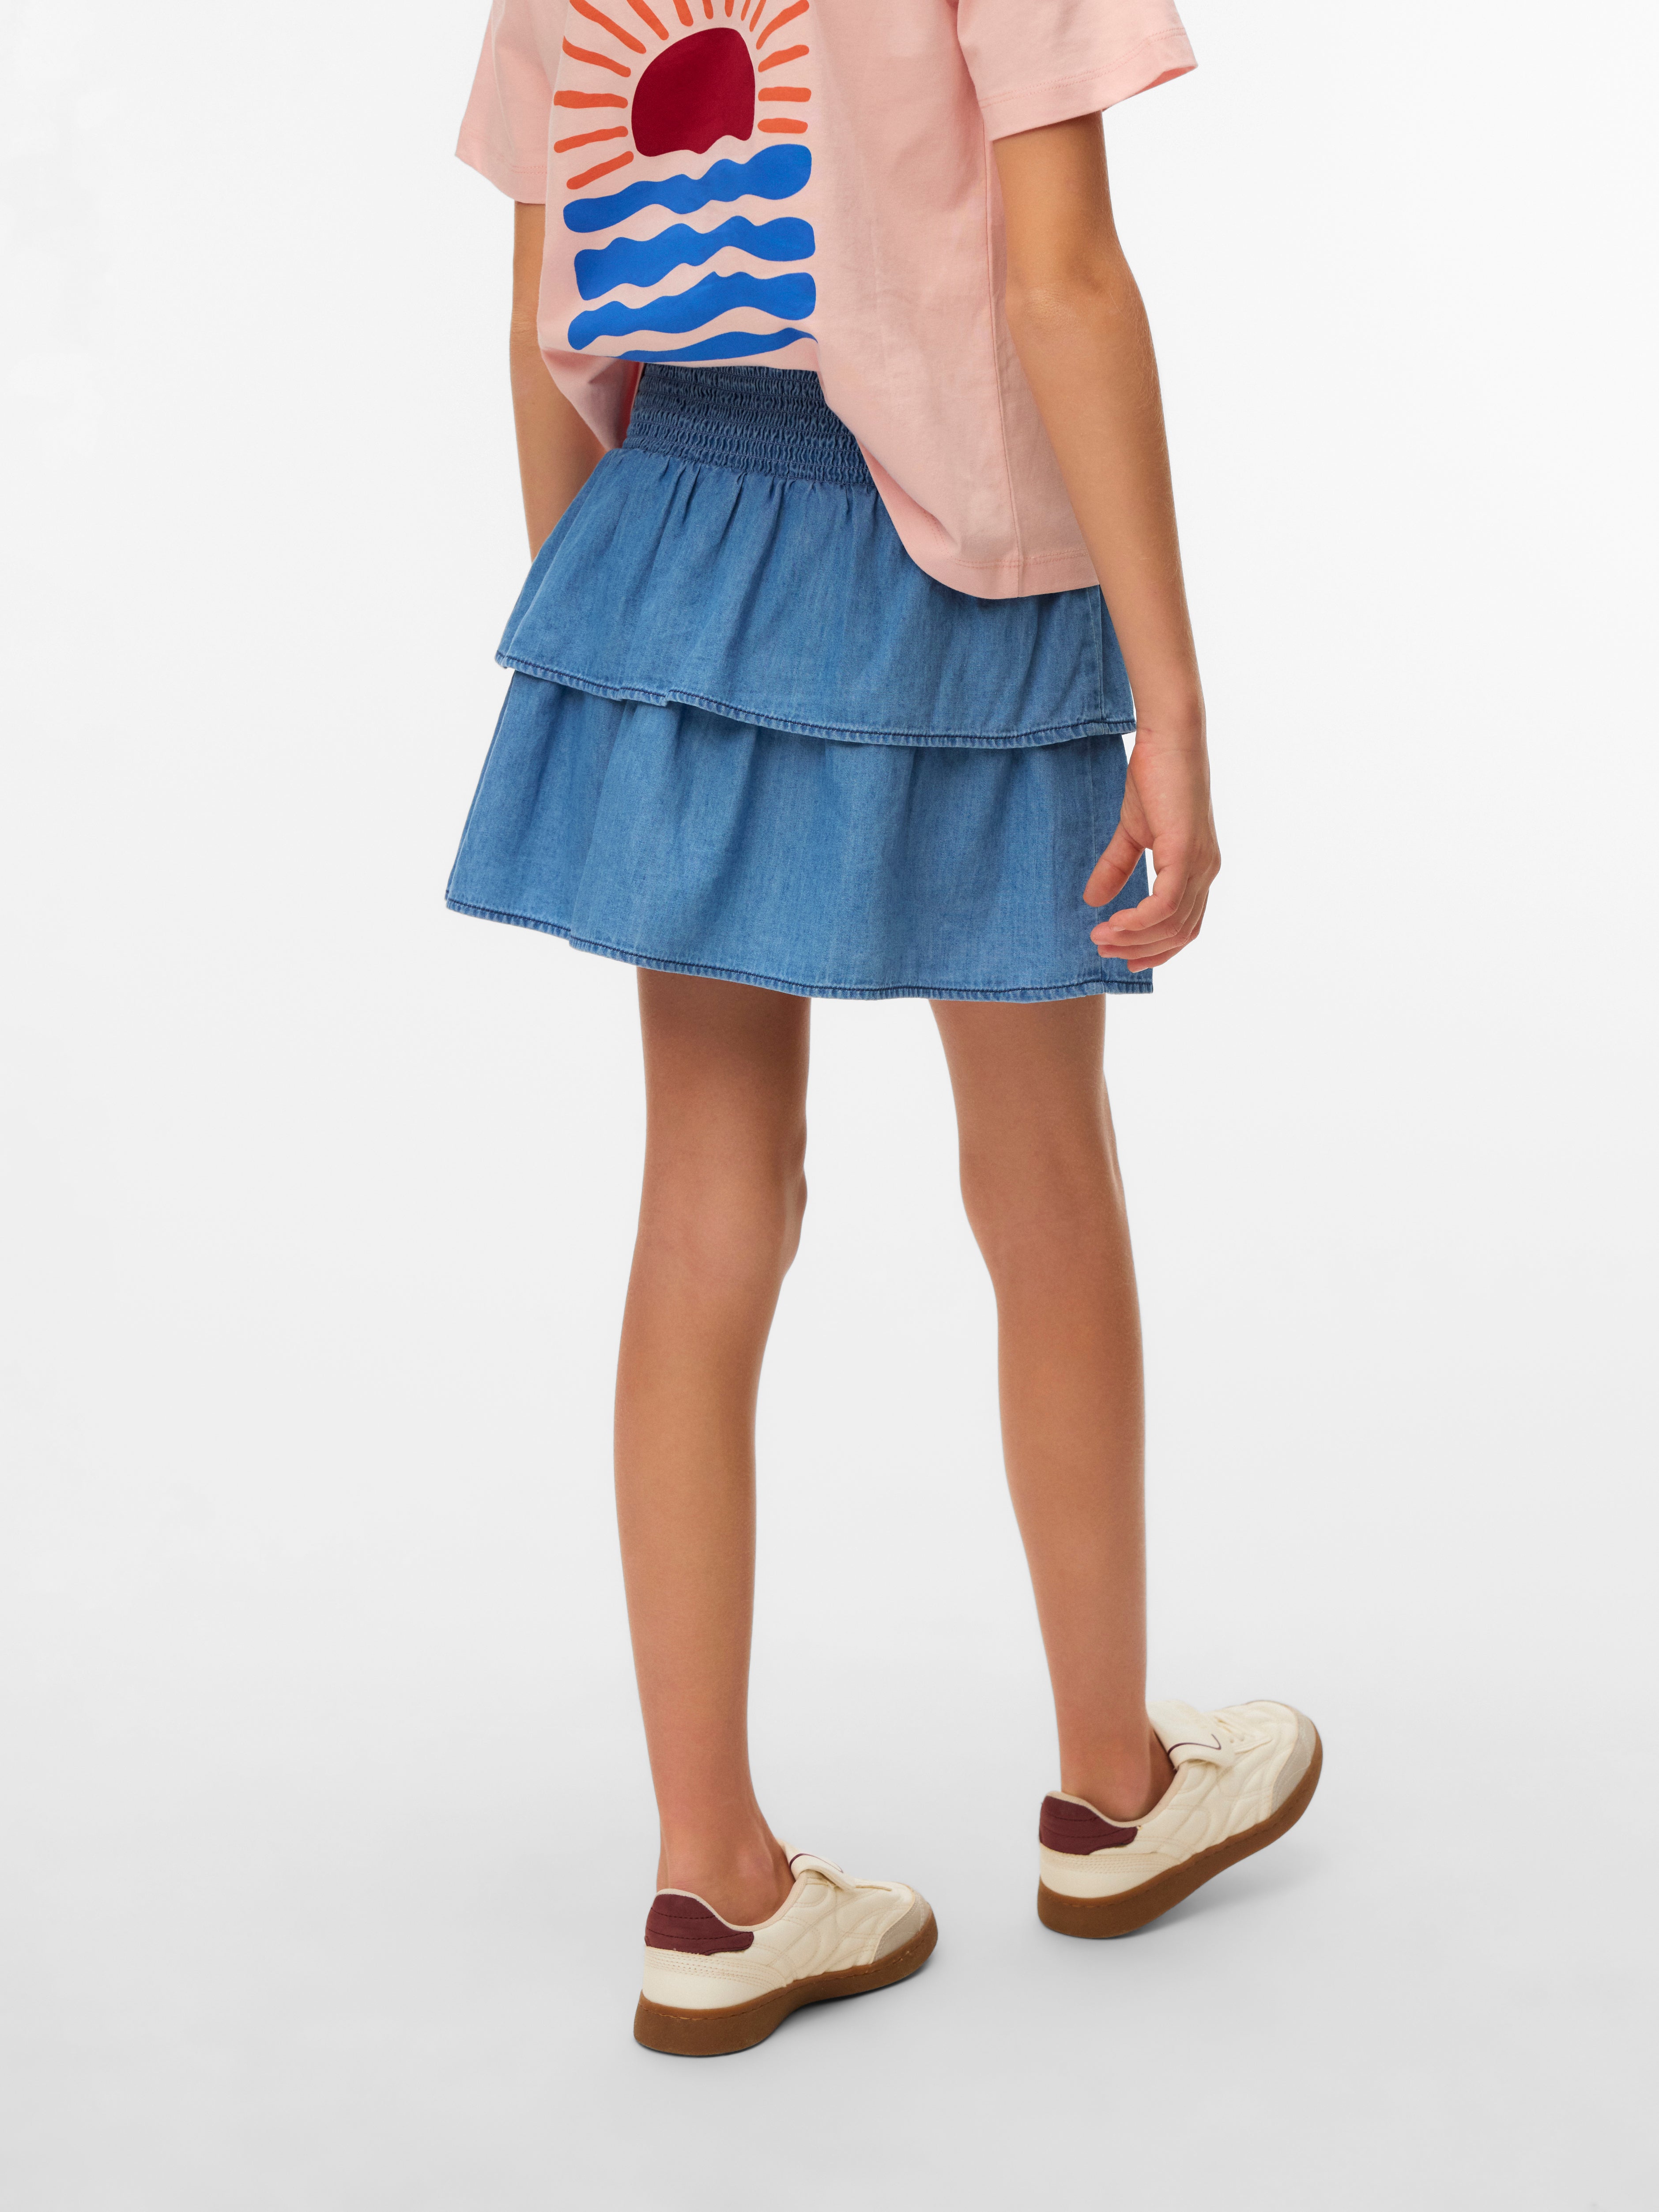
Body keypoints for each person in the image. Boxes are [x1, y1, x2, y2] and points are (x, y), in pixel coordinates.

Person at [448, 0, 1320, 2057]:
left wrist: (628, 644)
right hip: (964, 570)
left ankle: (710, 1880)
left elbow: (540, 311)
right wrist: (1171, 697)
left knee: (705, 1198)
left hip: (671, 533)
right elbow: (1061, 279)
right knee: (1041, 1171)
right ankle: (1110, 1783)